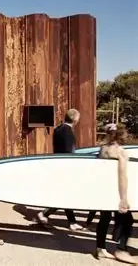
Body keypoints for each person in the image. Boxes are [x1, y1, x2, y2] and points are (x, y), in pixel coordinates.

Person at [36, 108, 85, 231]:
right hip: (65, 168)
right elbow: (69, 153)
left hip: (57, 165)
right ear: (75, 119)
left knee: (65, 195)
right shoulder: (68, 132)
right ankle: (44, 214)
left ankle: (72, 222)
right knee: (65, 195)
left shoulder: (58, 129)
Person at [94, 124, 136, 264]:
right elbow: (122, 176)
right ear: (121, 136)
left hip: (102, 190)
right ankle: (121, 250)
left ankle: (101, 249)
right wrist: (123, 198)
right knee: (128, 220)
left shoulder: (103, 149)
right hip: (115, 192)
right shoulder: (120, 152)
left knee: (104, 218)